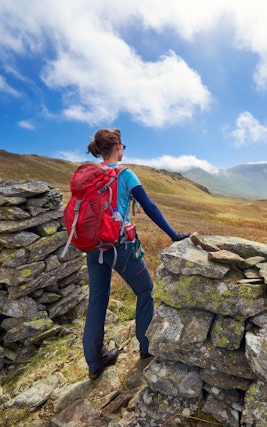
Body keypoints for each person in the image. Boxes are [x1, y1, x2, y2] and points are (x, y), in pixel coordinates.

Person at [83, 128, 190, 380]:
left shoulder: (91, 174)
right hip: (120, 245)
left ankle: (95, 361)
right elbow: (149, 206)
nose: (124, 150)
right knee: (145, 290)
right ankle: (146, 347)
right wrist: (174, 235)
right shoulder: (125, 174)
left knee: (97, 301)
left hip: (94, 246)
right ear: (118, 146)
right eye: (123, 146)